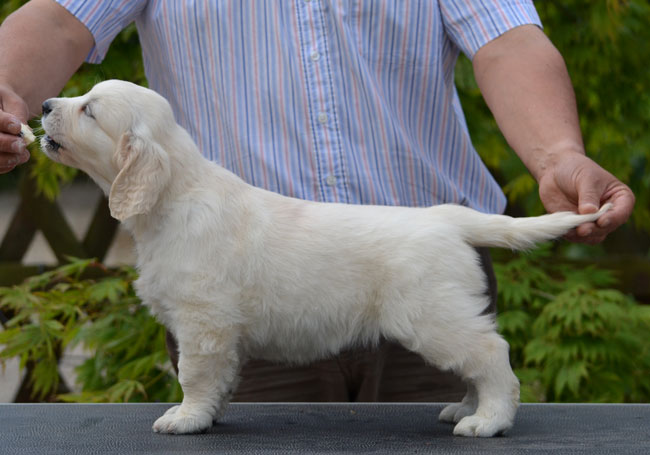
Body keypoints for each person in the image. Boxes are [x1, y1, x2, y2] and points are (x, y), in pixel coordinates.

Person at [0, 0, 634, 402]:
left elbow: (508, 39)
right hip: (244, 287)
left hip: (410, 261)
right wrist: (2, 91)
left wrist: (557, 154)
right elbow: (58, 19)